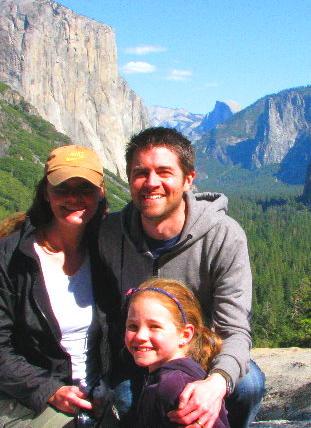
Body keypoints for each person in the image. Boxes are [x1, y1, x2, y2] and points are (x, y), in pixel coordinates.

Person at [98, 127, 265, 428]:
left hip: (199, 356)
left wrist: (216, 384)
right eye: (140, 173)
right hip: (138, 354)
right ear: (128, 178)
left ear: (188, 179)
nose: (151, 183)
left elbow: (235, 330)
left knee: (247, 385)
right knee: (126, 399)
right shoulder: (109, 234)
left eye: (164, 172)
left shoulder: (223, 236)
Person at [0, 145, 121, 427]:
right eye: (62, 188)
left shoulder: (107, 251)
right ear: (46, 192)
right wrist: (49, 390)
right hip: (23, 402)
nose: (74, 198)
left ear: (100, 192)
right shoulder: (8, 258)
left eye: (85, 189)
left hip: (94, 400)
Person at [124, 278, 229, 428]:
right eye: (133, 326)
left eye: (154, 326)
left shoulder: (174, 387)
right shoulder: (173, 377)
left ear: (185, 335)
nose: (140, 336)